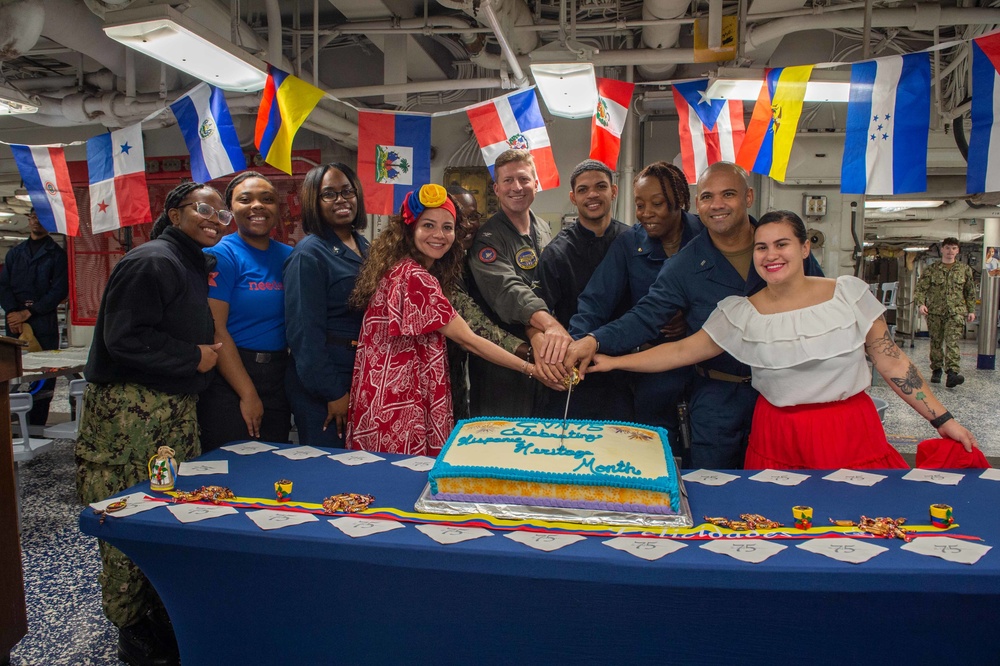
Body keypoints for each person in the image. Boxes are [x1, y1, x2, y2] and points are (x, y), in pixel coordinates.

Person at [588, 210, 978, 469]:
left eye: (782, 244)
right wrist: (614, 360)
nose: (770, 255)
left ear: (805, 248)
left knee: (858, 530)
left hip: (848, 430)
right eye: (761, 246)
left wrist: (942, 419)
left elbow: (894, 363)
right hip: (777, 434)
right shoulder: (740, 311)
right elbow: (681, 351)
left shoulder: (849, 293)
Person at [564, 162, 823, 469]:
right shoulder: (685, 265)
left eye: (728, 194)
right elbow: (645, 316)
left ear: (748, 197)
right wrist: (593, 339)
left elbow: (819, 302)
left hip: (785, 394)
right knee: (713, 483)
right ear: (697, 203)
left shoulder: (778, 250)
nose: (717, 205)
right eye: (707, 196)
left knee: (788, 483)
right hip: (716, 396)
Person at [75, 182, 225, 666]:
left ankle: (159, 616)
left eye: (220, 214)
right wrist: (195, 356)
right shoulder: (152, 261)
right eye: (204, 209)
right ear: (175, 212)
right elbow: (125, 338)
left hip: (170, 415)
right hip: (129, 420)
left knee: (164, 512)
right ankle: (132, 631)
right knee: (127, 517)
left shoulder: (187, 262)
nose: (214, 218)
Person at [346, 183, 555, 456]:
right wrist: (532, 369)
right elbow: (471, 340)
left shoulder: (397, 269)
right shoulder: (416, 278)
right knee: (408, 486)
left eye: (447, 227)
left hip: (381, 402)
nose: (440, 235)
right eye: (429, 226)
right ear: (410, 229)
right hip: (403, 408)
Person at [569, 161, 703, 445]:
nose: (646, 214)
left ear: (679, 200)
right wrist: (578, 344)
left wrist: (689, 317)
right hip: (651, 372)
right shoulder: (629, 244)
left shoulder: (706, 238)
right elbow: (595, 301)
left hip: (705, 373)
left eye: (657, 203)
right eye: (640, 205)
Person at [467, 149, 572, 416]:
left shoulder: (544, 229)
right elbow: (507, 290)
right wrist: (549, 326)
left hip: (547, 351)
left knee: (538, 440)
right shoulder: (487, 238)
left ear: (536, 184)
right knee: (500, 442)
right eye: (508, 180)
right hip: (503, 363)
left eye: (524, 179)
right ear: (496, 189)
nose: (517, 187)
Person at [198, 172, 293, 450]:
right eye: (245, 199)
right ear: (229, 210)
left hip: (277, 375)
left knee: (274, 462)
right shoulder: (222, 255)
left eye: (267, 199)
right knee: (233, 465)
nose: (258, 206)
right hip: (231, 373)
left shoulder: (290, 256)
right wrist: (247, 393)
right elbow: (217, 329)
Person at [536, 159, 631, 419]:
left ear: (613, 191)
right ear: (573, 197)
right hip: (576, 372)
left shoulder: (633, 242)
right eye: (583, 189)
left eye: (600, 186)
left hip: (628, 368)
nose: (592, 195)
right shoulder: (557, 253)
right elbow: (540, 314)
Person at [284, 162, 369, 446]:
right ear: (313, 202)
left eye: (347, 191)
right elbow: (304, 336)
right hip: (326, 380)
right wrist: (332, 392)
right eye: (329, 194)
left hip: (360, 372)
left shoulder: (364, 246)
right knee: (329, 471)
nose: (342, 200)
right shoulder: (309, 254)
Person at [445, 184, 530, 421]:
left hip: (458, 374)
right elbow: (477, 327)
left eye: (473, 217)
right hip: (427, 379)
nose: (468, 225)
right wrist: (532, 355)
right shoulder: (433, 268)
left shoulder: (465, 261)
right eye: (458, 217)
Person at [0, 207, 69, 425]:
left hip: (42, 322)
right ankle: (10, 424)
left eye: (41, 217)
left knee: (45, 376)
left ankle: (36, 423)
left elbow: (58, 290)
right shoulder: (14, 254)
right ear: (28, 219)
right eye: (33, 217)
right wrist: (12, 313)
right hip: (15, 326)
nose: (36, 221)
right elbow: (4, 286)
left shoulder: (57, 256)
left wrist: (28, 312)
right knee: (11, 374)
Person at [914, 237, 976, 388]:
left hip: (955, 312)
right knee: (936, 342)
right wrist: (921, 304)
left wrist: (971, 310)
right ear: (942, 249)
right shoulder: (932, 269)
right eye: (947, 248)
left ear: (958, 251)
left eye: (954, 248)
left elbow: (969, 291)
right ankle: (936, 369)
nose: (950, 252)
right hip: (935, 312)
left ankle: (952, 374)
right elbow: (921, 289)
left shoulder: (964, 269)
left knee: (952, 342)